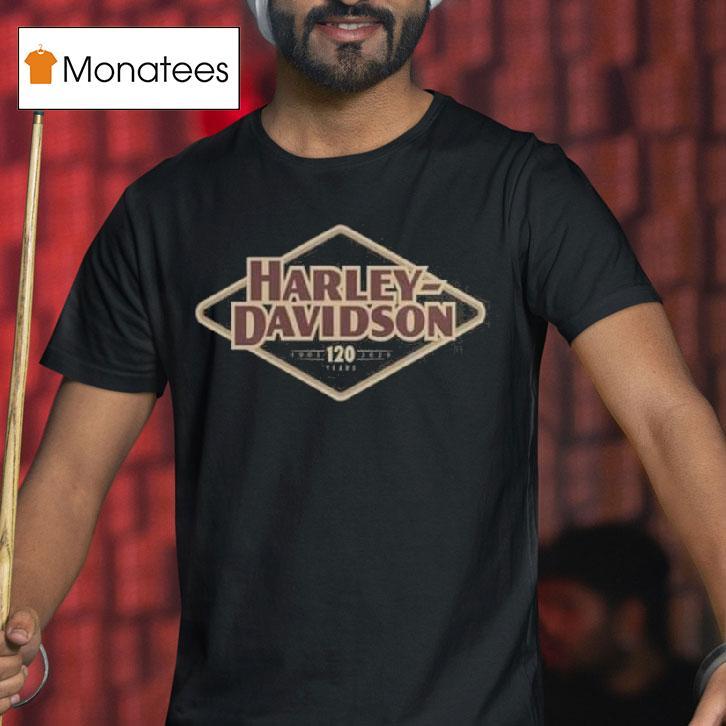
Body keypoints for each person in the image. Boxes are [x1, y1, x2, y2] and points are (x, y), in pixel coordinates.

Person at [1, 0, 724, 723]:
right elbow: (70, 475)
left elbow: (664, 414)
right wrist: (15, 622)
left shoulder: (524, 187)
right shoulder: (164, 210)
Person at [538, 522, 699, 725]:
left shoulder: (702, 698)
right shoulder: (545, 703)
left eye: (567, 607)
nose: (550, 627)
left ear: (630, 619)